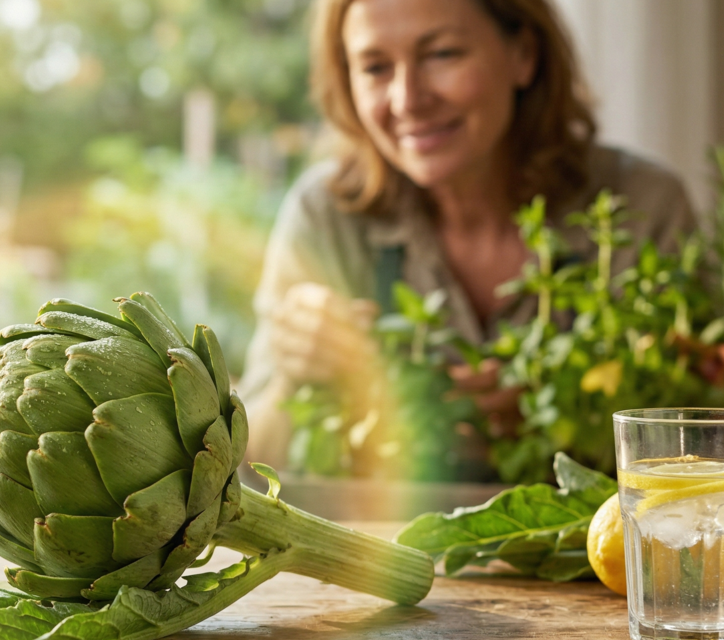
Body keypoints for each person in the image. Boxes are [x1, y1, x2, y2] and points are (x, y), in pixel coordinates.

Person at [239, 0, 698, 469]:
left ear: (524, 55)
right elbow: (254, 465)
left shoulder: (643, 207)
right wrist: (295, 372)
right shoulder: (326, 218)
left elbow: (698, 447)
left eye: (442, 55)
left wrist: (563, 418)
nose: (407, 99)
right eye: (375, 67)